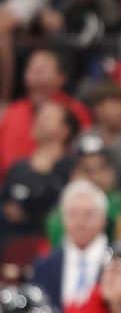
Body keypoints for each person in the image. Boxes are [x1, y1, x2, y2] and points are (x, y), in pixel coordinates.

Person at [0, 48, 90, 178]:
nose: (36, 74)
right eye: (31, 69)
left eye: (43, 69)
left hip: (61, 180)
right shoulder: (12, 112)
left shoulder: (75, 110)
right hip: (12, 183)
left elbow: (85, 154)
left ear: (61, 78)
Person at [48, 133, 121, 244]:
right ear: (74, 175)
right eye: (87, 170)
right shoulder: (66, 207)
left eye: (101, 168)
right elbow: (57, 240)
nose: (95, 177)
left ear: (113, 173)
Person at [0, 100, 76, 250]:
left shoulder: (71, 169)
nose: (39, 120)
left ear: (64, 130)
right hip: (8, 243)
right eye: (38, 116)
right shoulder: (18, 167)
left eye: (47, 117)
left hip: (48, 244)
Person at [32, 179, 109, 313]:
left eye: (88, 214)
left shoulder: (118, 266)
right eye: (73, 214)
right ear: (62, 218)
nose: (80, 222)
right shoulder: (44, 266)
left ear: (103, 219)